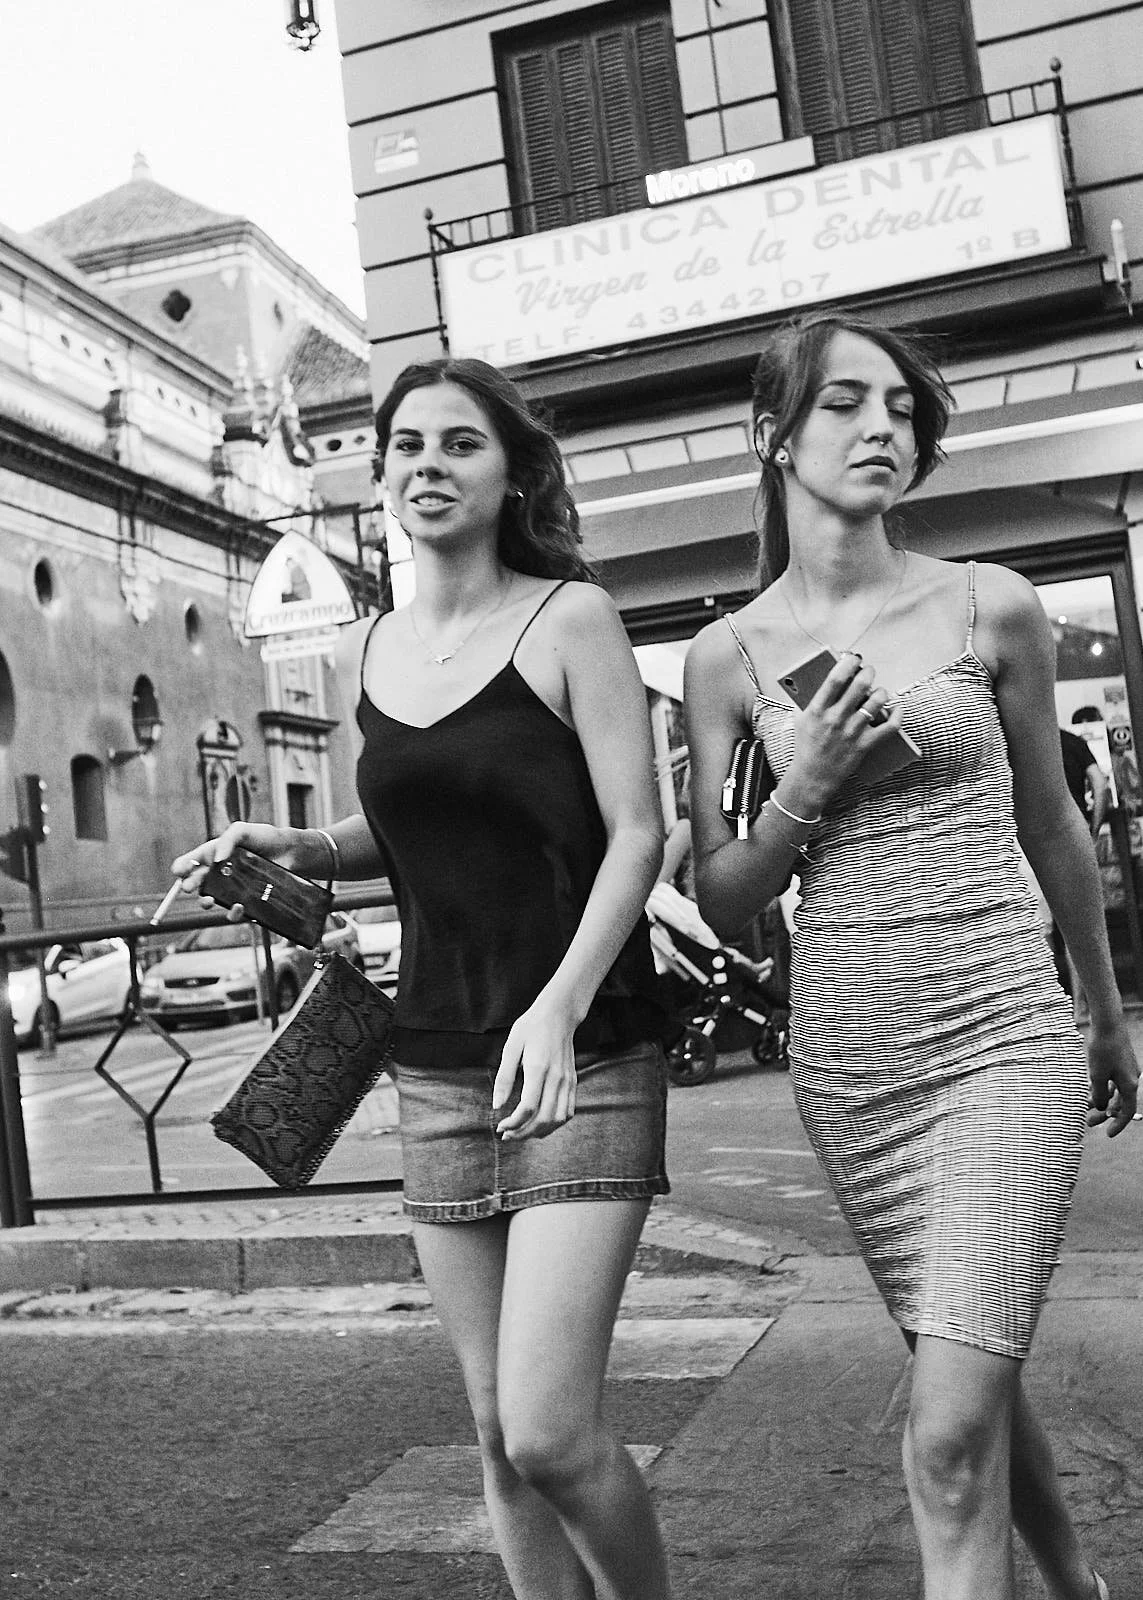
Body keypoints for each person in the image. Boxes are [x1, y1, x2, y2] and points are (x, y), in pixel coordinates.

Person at [173, 356, 672, 1600]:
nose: (427, 466)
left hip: (584, 1051)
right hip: (440, 1060)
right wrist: (301, 846)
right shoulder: (380, 644)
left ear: (512, 476)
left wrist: (559, 1003)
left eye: (459, 444)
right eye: (405, 446)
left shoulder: (571, 619)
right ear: (383, 473)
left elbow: (637, 831)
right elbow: (401, 832)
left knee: (553, 1426)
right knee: (499, 1436)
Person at [684, 311, 1137, 1600]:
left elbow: (1052, 823)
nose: (882, 427)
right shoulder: (724, 657)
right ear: (772, 434)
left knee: (941, 1429)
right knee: (967, 1360)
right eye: (844, 404)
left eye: (898, 408)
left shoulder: (994, 603)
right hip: (852, 1065)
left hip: (1004, 1032)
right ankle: (1075, 1580)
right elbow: (725, 898)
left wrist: (1104, 1014)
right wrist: (802, 788)